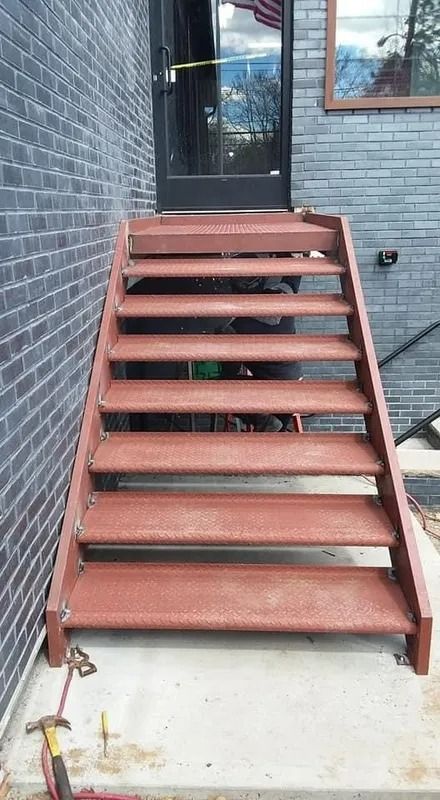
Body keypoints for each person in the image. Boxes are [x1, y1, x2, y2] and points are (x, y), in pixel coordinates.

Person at [220, 267, 301, 432]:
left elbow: (229, 371)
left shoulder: (237, 328)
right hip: (296, 387)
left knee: (221, 386)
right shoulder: (283, 296)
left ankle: (266, 420)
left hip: (273, 400)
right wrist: (294, 252)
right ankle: (271, 423)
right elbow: (293, 278)